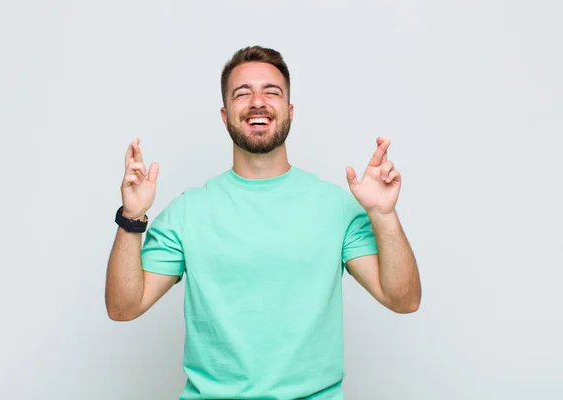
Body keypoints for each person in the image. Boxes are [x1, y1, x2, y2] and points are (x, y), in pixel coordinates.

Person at [105, 45, 421, 400]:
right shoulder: (187, 212)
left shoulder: (336, 207)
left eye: (271, 92)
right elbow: (123, 307)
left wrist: (383, 214)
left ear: (289, 111)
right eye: (243, 93)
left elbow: (403, 300)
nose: (258, 101)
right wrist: (131, 218)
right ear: (225, 116)